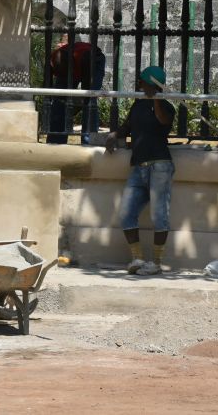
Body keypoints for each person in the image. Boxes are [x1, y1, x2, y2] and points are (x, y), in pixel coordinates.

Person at [105, 65, 176, 276]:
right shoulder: (138, 105)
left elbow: (163, 121)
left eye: (143, 82)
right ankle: (137, 258)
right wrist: (114, 135)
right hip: (138, 166)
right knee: (127, 213)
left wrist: (155, 98)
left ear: (151, 85)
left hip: (160, 165)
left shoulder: (166, 106)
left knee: (159, 215)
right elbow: (128, 125)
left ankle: (156, 262)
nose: (139, 85)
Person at [47, 34, 107, 145]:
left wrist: (80, 100)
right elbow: (47, 87)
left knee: (90, 100)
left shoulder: (85, 57)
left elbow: (87, 88)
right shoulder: (53, 59)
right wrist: (52, 98)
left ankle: (89, 140)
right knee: (58, 100)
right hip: (72, 63)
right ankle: (56, 139)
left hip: (93, 62)